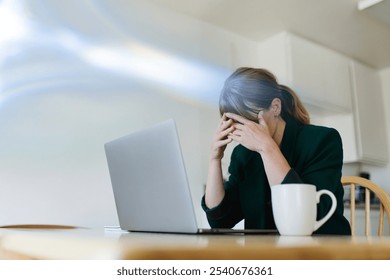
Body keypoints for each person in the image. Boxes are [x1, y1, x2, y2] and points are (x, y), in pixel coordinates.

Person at [201, 67, 351, 235]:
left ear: (275, 107)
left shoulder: (322, 140)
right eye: (236, 124)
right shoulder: (243, 155)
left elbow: (304, 220)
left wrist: (267, 148)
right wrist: (214, 158)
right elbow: (220, 220)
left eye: (250, 122)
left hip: (322, 250)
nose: (246, 132)